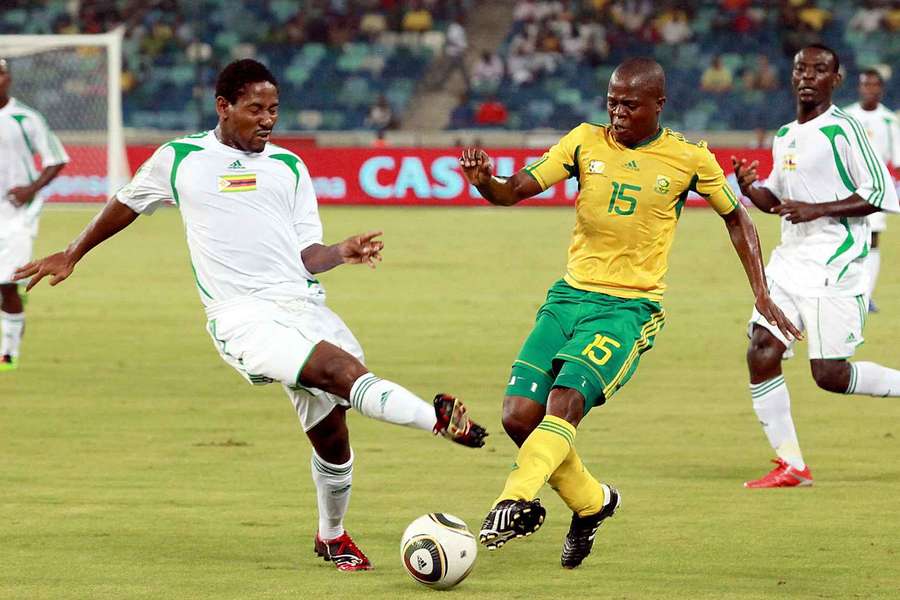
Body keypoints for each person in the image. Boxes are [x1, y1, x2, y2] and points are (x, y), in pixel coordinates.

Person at [14, 59, 487, 570]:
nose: (268, 119)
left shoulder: (289, 167)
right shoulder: (180, 158)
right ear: (224, 106)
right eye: (255, 108)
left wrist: (340, 252)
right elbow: (125, 203)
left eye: (274, 109)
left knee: (332, 436)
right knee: (343, 373)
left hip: (304, 307)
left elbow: (306, 254)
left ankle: (331, 536)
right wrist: (72, 252)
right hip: (241, 317)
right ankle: (436, 420)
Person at [458, 57, 797, 568]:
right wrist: (486, 181)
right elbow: (515, 190)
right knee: (518, 416)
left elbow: (737, 218)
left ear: (659, 105)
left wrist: (761, 292)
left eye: (630, 104)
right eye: (612, 100)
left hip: (627, 309)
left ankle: (515, 497)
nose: (616, 112)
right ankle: (594, 504)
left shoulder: (689, 158)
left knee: (565, 400)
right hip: (567, 299)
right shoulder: (582, 141)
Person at [732, 45, 900, 489]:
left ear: (835, 80)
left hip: (836, 262)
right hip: (790, 261)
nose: (808, 76)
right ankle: (791, 464)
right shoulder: (785, 133)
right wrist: (753, 189)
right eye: (801, 69)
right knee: (761, 350)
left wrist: (818, 208)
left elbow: (882, 194)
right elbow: (778, 203)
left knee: (829, 374)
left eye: (819, 69)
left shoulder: (845, 130)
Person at [0, 57, 69, 372]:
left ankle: (8, 355)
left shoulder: (26, 118)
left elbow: (56, 159)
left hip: (17, 215)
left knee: (5, 284)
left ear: (7, 79)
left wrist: (30, 188)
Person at [843, 69, 900, 313]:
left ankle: (865, 296)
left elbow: (897, 160)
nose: (870, 89)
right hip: (847, 188)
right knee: (847, 238)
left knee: (872, 239)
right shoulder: (846, 116)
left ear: (881, 89)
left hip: (877, 188)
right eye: (866, 84)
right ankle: (845, 290)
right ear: (859, 87)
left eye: (874, 85)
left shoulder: (890, 121)